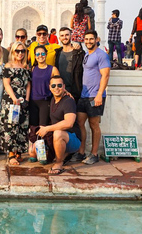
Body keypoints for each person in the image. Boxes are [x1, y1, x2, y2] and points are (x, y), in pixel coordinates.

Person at [73, 30, 110, 165]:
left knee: (94, 125)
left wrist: (100, 94)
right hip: (84, 95)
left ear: (96, 39)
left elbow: (105, 75)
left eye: (91, 39)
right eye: (86, 39)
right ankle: (81, 152)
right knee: (80, 123)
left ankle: (94, 154)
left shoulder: (101, 55)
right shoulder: (87, 54)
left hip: (95, 95)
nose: (88, 41)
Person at [33, 75, 82, 175]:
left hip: (72, 139)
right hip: (55, 137)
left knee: (58, 133)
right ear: (50, 87)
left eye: (59, 85)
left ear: (64, 86)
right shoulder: (53, 99)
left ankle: (59, 163)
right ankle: (62, 154)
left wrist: (47, 128)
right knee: (32, 151)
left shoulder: (69, 101)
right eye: (54, 86)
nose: (57, 88)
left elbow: (69, 123)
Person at [0, 42, 31, 166]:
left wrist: (26, 99)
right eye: (17, 51)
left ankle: (19, 152)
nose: (20, 53)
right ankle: (11, 153)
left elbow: (28, 85)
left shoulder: (26, 67)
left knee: (22, 125)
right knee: (11, 126)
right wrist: (14, 99)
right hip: (11, 101)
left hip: (23, 101)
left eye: (22, 51)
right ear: (13, 52)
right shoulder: (8, 65)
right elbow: (6, 84)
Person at [28, 45, 60, 147]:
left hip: (45, 101)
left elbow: (58, 85)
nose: (40, 56)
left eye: (42, 53)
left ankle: (42, 151)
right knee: (33, 127)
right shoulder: (33, 69)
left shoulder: (52, 69)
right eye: (38, 54)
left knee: (43, 127)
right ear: (35, 56)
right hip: (33, 102)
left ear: (46, 55)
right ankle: (33, 149)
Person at [54, 27, 85, 103]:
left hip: (74, 91)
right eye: (62, 35)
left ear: (71, 36)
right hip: (60, 91)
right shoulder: (57, 53)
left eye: (67, 35)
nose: (65, 37)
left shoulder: (78, 53)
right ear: (59, 38)